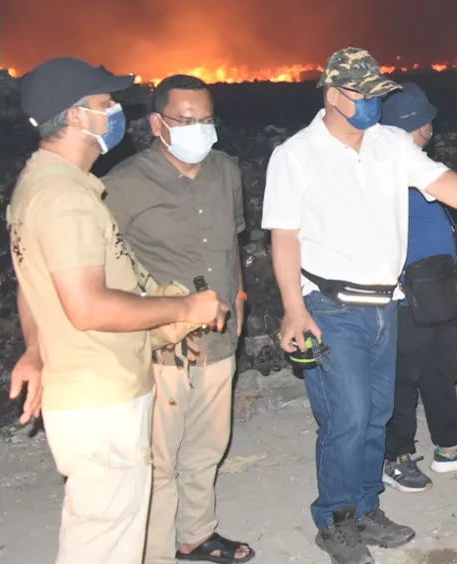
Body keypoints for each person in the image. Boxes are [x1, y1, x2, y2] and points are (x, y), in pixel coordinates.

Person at [262, 48, 457, 564]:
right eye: (362, 95)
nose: (372, 105)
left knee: (378, 414)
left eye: (376, 95)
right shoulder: (295, 155)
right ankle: (336, 519)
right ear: (333, 94)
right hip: (331, 305)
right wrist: (294, 309)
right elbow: (285, 238)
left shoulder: (388, 143)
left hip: (386, 305)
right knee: (349, 415)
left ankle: (366, 508)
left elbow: (438, 180)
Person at [6, 57, 227, 564]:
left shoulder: (43, 183)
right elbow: (86, 306)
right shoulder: (66, 198)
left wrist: (36, 348)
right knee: (106, 541)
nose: (115, 113)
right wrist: (183, 304)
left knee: (100, 530)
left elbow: (33, 283)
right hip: (101, 395)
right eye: (106, 105)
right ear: (78, 116)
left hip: (82, 385)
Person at [103, 74, 255, 564]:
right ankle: (154, 552)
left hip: (218, 335)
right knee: (158, 461)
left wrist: (240, 296)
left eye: (206, 120)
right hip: (162, 344)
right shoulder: (120, 185)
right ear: (156, 124)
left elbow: (231, 241)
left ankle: (196, 535)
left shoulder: (225, 170)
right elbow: (104, 267)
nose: (199, 130)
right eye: (186, 121)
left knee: (209, 445)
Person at [378, 82, 457, 493]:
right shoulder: (391, 167)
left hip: (437, 287)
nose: (433, 126)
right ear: (416, 124)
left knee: (441, 369)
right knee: (402, 376)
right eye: (428, 120)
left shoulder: (417, 163)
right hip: (407, 290)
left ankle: (449, 444)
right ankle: (396, 456)